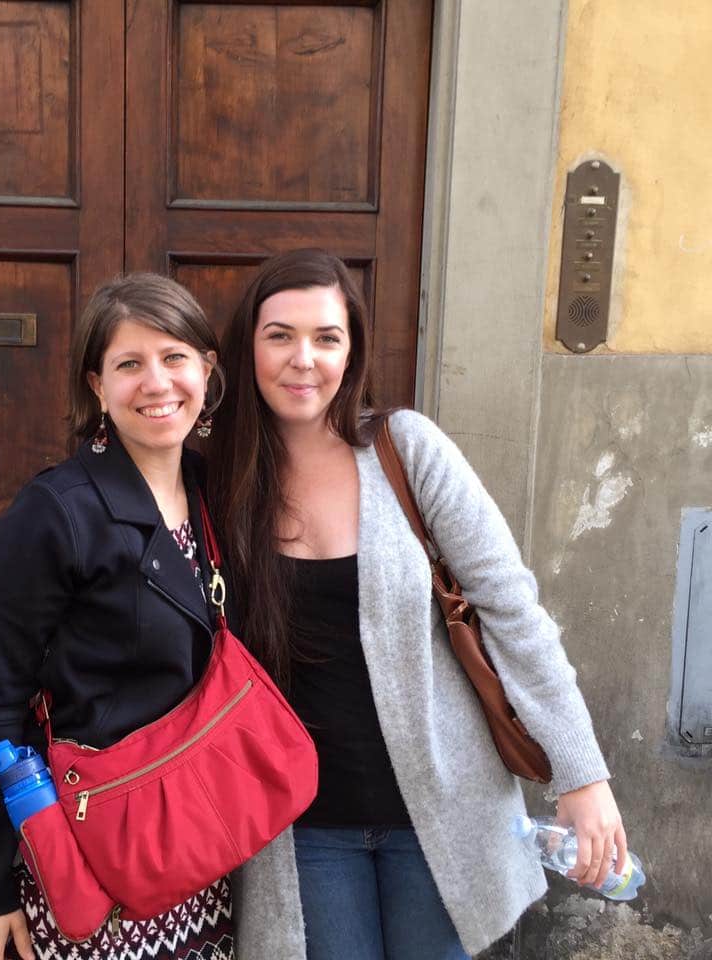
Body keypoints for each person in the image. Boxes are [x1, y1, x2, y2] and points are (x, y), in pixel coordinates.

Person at [209, 249, 626, 960]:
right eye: (279, 335)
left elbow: (512, 611)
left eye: (326, 338)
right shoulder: (215, 476)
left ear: (353, 350)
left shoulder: (406, 449)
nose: (302, 358)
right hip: (299, 828)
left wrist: (580, 774)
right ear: (246, 346)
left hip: (439, 818)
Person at [0, 274, 234, 960]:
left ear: (207, 369)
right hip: (88, 861)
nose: (156, 382)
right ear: (97, 386)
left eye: (174, 357)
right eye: (129, 364)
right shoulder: (54, 513)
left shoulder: (216, 493)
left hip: (200, 856)